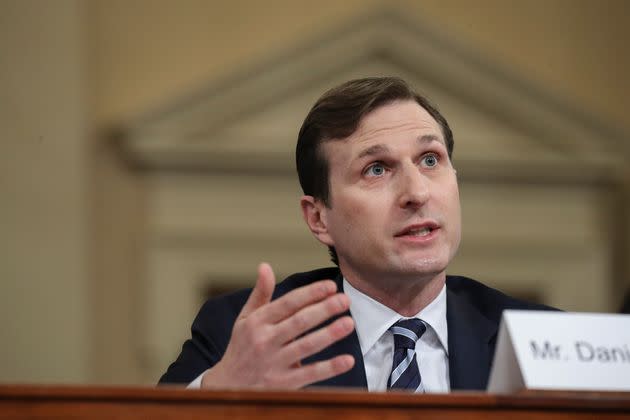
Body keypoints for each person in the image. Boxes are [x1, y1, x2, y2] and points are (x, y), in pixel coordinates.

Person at [159, 77, 551, 391]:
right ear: (319, 219)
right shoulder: (250, 335)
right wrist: (218, 394)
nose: (417, 193)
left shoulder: (542, 339)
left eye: (430, 160)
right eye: (377, 169)